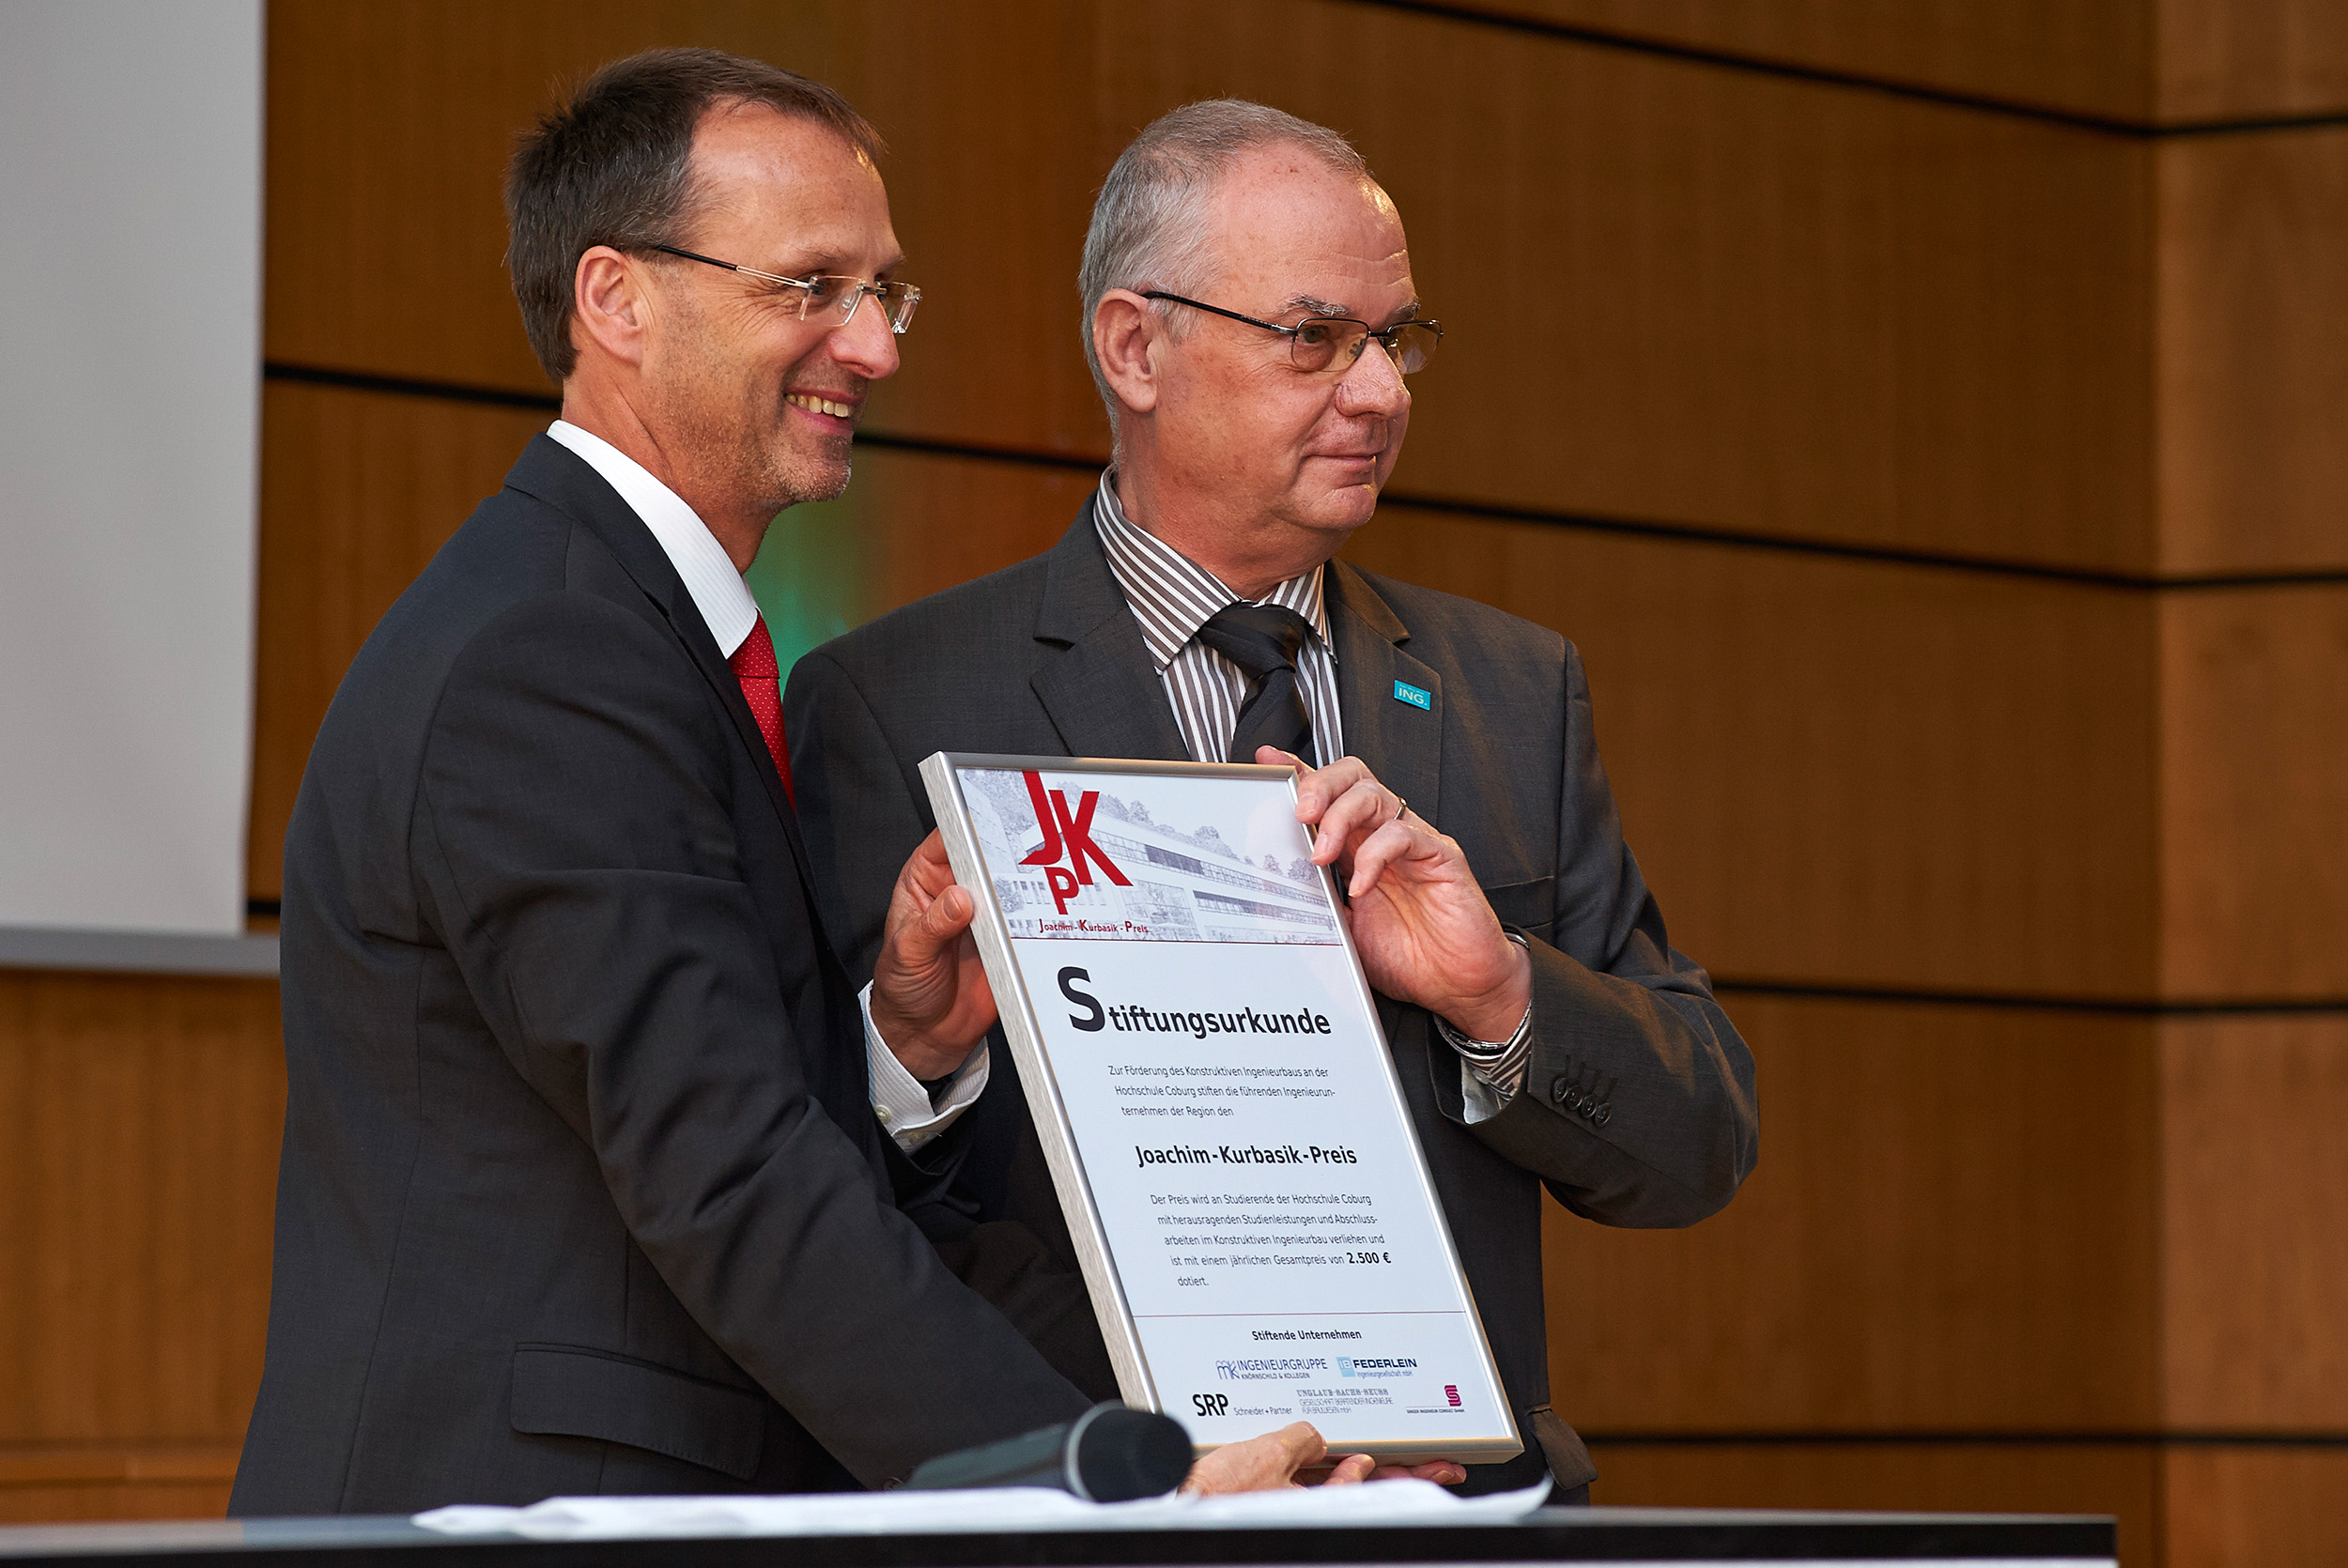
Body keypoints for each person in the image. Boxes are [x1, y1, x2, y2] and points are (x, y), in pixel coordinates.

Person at [232, 54, 1381, 1514]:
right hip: (517, 1515)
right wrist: (1105, 1480)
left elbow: (713, 1114)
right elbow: (731, 1178)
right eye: (811, 286)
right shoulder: (557, 655)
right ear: (616, 299)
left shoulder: (623, 629)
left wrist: (894, 1045)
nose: (876, 346)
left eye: (883, 293)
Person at [785, 100, 1761, 1502]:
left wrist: (1502, 1002)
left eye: (1396, 339)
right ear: (1136, 347)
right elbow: (802, 1203)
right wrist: (912, 1053)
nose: (1381, 394)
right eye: (1315, 339)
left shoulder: (1512, 693)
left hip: (1452, 1514)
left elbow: (1699, 1145)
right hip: (1102, 1513)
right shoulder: (897, 702)